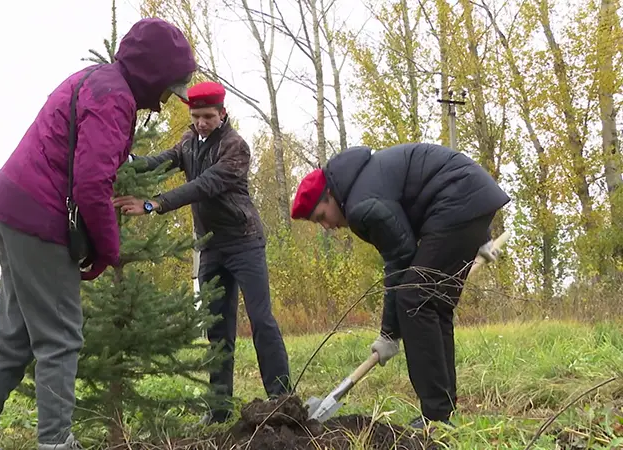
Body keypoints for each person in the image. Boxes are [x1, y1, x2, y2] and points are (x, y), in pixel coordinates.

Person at [0, 18, 196, 450]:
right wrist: (107, 249)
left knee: (16, 337)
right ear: (152, 73)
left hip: (10, 208)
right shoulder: (114, 96)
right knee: (60, 338)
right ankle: (56, 443)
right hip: (37, 218)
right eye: (166, 89)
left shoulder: (93, 80)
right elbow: (90, 182)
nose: (162, 102)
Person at [290, 143, 509, 429]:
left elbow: (401, 260)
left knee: (414, 299)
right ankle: (442, 413)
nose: (327, 227)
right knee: (433, 303)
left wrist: (389, 333)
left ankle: (436, 416)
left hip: (457, 202)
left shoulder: (361, 206)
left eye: (321, 216)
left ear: (330, 195)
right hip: (467, 198)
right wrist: (479, 235)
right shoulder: (363, 185)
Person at [112, 81, 292, 424]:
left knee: (261, 321)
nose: (201, 123)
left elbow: (205, 185)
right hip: (210, 247)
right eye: (196, 117)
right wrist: (128, 161)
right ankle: (218, 410)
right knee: (217, 329)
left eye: (208, 116)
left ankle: (281, 399)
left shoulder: (235, 147)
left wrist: (155, 204)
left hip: (244, 242)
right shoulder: (188, 143)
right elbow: (162, 161)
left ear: (222, 114)